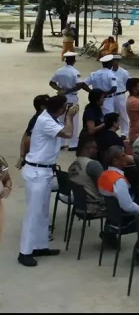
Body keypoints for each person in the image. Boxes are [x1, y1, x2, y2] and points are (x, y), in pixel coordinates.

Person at [18, 96, 79, 267]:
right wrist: (70, 117)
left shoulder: (49, 117)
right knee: (33, 213)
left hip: (44, 171)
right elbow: (68, 133)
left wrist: (66, 116)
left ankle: (40, 245)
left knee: (43, 211)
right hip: (37, 171)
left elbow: (63, 130)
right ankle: (25, 252)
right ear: (60, 109)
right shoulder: (45, 120)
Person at [49, 52, 87, 151]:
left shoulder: (59, 71)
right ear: (74, 61)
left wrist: (60, 89)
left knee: (61, 119)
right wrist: (68, 90)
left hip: (61, 97)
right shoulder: (74, 72)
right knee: (73, 119)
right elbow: (79, 85)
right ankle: (73, 143)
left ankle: (61, 143)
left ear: (65, 60)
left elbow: (52, 82)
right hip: (71, 97)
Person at [66, 136, 105, 215]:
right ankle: (114, 226)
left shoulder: (74, 163)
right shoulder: (93, 164)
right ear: (90, 149)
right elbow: (106, 185)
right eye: (96, 148)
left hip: (79, 206)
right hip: (94, 206)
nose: (97, 151)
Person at [18, 95, 51, 168]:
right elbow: (27, 138)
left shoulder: (40, 117)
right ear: (42, 107)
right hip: (38, 159)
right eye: (49, 104)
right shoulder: (38, 120)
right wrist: (22, 156)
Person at [111, 55, 130, 138]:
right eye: (114, 61)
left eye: (117, 61)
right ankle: (112, 131)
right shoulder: (108, 71)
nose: (115, 62)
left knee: (122, 113)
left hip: (120, 95)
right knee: (111, 114)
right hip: (111, 95)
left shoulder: (124, 72)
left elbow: (128, 83)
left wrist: (122, 91)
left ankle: (124, 132)